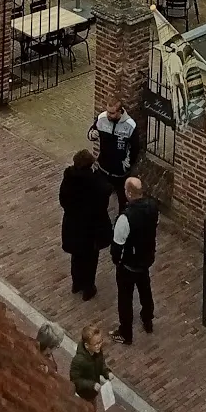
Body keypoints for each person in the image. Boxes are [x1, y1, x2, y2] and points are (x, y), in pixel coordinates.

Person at [109, 176, 159, 345]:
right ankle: (147, 320)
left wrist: (117, 261)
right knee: (145, 290)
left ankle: (125, 333)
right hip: (145, 260)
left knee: (125, 298)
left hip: (129, 265)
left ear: (130, 193)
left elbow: (117, 246)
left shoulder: (126, 217)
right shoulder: (152, 207)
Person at [60, 147, 113, 300]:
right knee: (90, 258)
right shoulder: (93, 181)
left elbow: (63, 200)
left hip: (73, 224)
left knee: (76, 256)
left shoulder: (68, 178)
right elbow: (106, 191)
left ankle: (76, 283)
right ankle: (88, 288)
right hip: (90, 227)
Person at [91, 99, 136, 215]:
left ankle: (120, 220)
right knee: (99, 197)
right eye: (107, 111)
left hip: (119, 172)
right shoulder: (102, 118)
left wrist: (127, 164)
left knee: (122, 200)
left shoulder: (130, 125)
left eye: (112, 113)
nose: (108, 115)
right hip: (103, 167)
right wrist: (92, 135)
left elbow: (135, 148)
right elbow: (92, 131)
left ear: (120, 111)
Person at [70, 323, 110, 403]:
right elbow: (75, 380)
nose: (99, 346)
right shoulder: (78, 360)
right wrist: (92, 385)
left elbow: (101, 364)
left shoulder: (97, 351)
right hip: (82, 395)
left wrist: (107, 372)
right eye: (96, 344)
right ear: (87, 345)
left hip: (92, 393)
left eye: (100, 342)